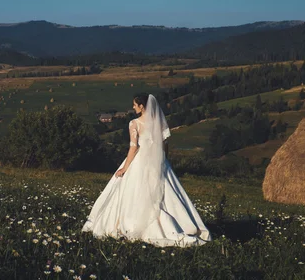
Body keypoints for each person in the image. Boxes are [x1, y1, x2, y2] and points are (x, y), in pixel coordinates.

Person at [82, 93, 211, 247]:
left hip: (139, 162)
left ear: (142, 106)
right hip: (158, 162)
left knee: (133, 193)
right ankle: (182, 225)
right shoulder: (158, 123)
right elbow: (165, 144)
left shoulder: (134, 123)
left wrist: (124, 168)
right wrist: (163, 160)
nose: (133, 107)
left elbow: (134, 147)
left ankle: (133, 225)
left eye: (135, 105)